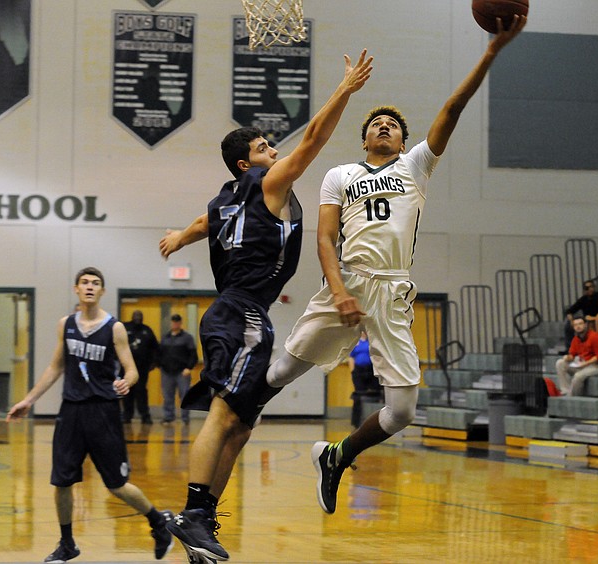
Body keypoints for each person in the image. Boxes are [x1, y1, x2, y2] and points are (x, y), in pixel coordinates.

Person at [260, 15, 527, 516]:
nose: (384, 126)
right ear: (365, 140)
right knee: (279, 372)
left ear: (405, 142)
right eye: (375, 124)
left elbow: (453, 107)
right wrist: (337, 288)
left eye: (394, 125)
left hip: (393, 290)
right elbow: (324, 237)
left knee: (403, 410)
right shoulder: (339, 174)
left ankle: (337, 456)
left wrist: (490, 52)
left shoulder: (415, 167)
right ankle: (236, 411)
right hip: (348, 280)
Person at [157, 50, 374, 561]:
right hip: (242, 312)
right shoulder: (267, 182)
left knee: (243, 419)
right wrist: (345, 88)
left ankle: (204, 520)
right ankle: (191, 513)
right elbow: (315, 138)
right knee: (223, 413)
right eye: (263, 146)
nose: (274, 151)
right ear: (245, 163)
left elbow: (201, 225)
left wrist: (178, 239)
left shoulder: (224, 198)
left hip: (236, 312)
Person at [5, 267, 173, 563]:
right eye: (84, 283)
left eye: (96, 283)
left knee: (117, 485)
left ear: (102, 291)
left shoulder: (115, 328)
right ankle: (67, 543)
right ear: (76, 289)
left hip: (103, 412)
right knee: (62, 482)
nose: (90, 287)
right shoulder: (66, 325)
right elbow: (56, 366)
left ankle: (158, 523)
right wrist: (28, 400)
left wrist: (127, 381)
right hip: (71, 411)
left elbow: (132, 369)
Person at [158, 313, 198, 425]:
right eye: (173, 321)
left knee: (184, 395)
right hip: (167, 372)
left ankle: (185, 418)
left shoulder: (187, 338)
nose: (175, 323)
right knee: (167, 395)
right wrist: (160, 365)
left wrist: (189, 368)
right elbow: (159, 353)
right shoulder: (165, 338)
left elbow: (193, 354)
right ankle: (168, 417)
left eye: (177, 321)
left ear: (180, 323)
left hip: (182, 372)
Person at [554, 316, 598, 396]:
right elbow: (572, 354)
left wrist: (584, 364)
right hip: (581, 364)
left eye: (580, 324)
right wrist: (568, 358)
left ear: (585, 325)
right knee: (560, 363)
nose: (578, 326)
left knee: (578, 376)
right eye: (575, 325)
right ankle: (565, 391)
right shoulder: (576, 339)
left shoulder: (595, 337)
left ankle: (573, 397)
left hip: (596, 366)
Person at [123, 310, 159, 424]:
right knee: (127, 391)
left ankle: (145, 415)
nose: (138, 318)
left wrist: (154, 362)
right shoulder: (125, 327)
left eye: (140, 316)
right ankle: (127, 415)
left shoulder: (147, 330)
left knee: (141, 391)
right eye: (136, 316)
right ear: (132, 317)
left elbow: (155, 348)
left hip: (142, 368)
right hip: (126, 367)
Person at [348, 330, 381, 428]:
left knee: (375, 394)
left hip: (371, 370)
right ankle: (357, 421)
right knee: (359, 395)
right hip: (359, 371)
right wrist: (353, 371)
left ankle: (373, 421)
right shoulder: (355, 342)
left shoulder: (371, 341)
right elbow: (351, 357)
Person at [563, 280, 598, 348]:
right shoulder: (583, 299)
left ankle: (596, 345)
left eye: (591, 287)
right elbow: (570, 310)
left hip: (597, 320)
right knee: (569, 324)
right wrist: (571, 318)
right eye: (587, 288)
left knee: (589, 323)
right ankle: (570, 348)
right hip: (586, 320)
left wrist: (593, 318)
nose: (590, 289)